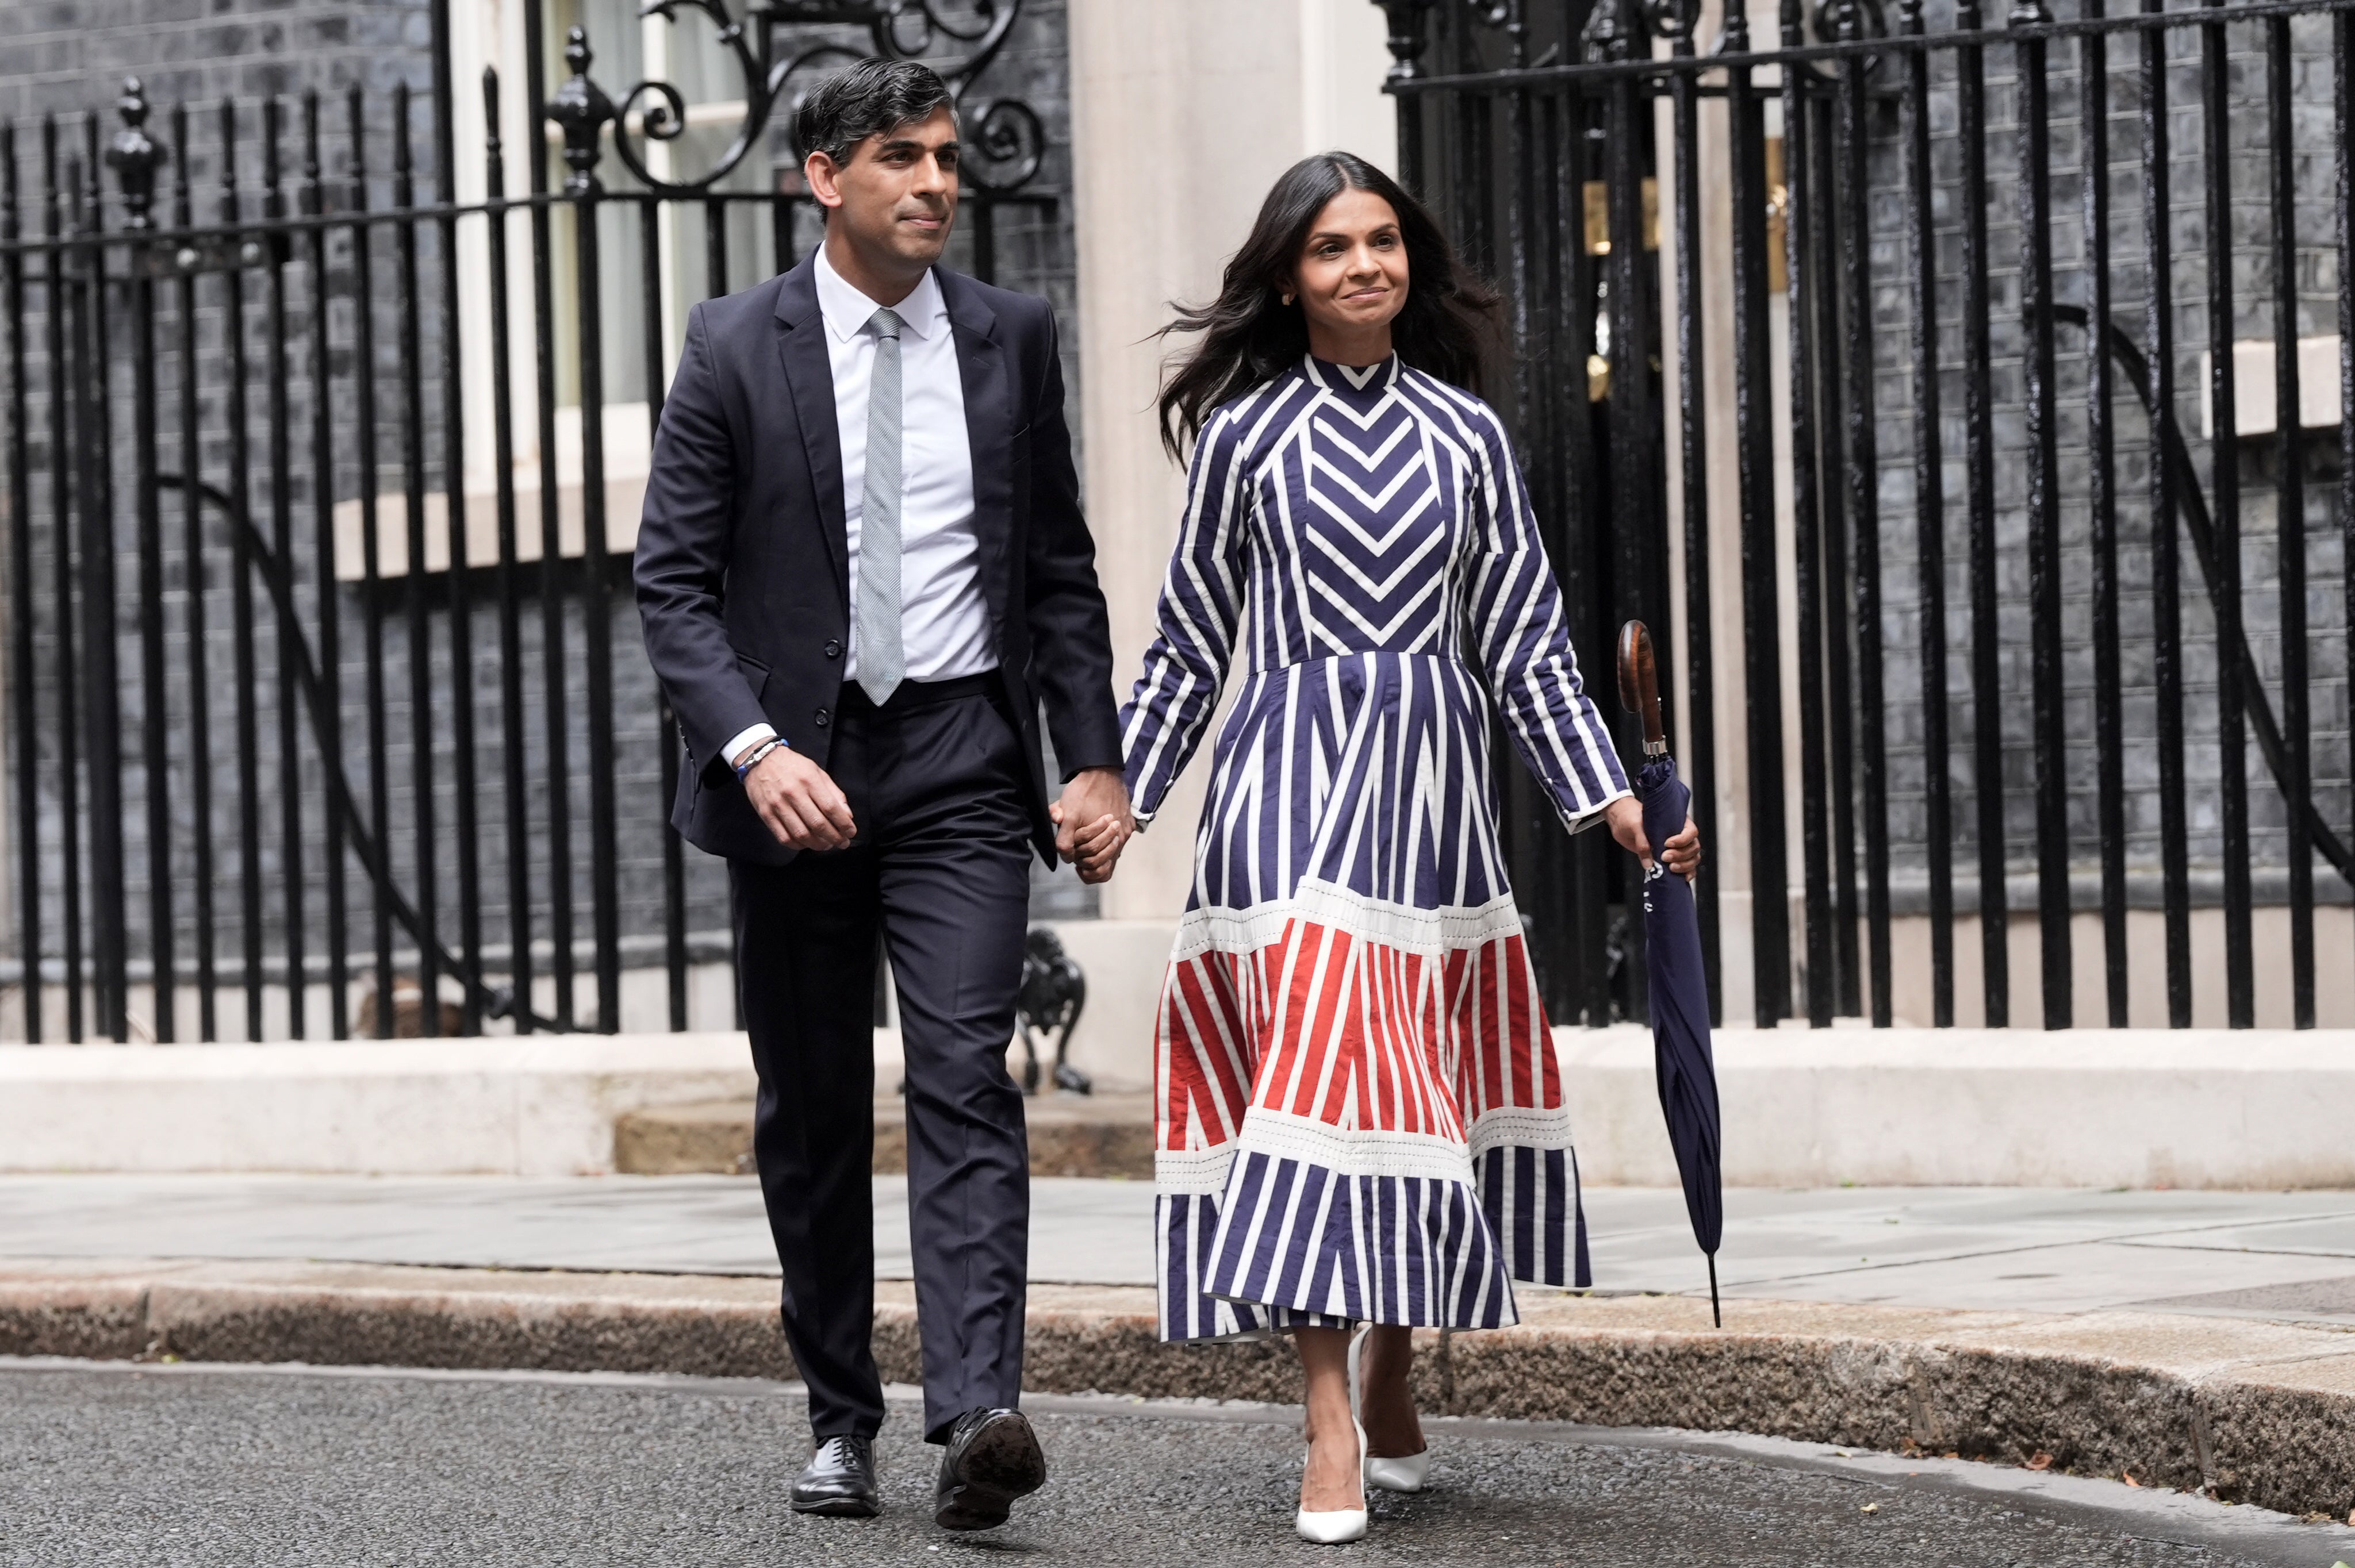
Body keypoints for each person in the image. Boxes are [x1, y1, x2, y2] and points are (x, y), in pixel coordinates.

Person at [1068, 152, 1701, 1543]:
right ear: (1286, 276)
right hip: (1282, 799)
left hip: (1426, 794)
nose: (1362, 265)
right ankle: (1328, 1414)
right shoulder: (1241, 437)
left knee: (1413, 1088)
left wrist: (1609, 800)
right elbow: (1188, 644)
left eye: (1380, 242)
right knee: (1311, 1077)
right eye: (1329, 247)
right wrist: (1127, 789)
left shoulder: (1467, 437)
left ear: (1406, 258)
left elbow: (1527, 640)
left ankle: (1400, 1355)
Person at [632, 59, 1130, 1532]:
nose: (932, 183)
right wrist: (755, 750)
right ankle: (837, 1416)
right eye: (901, 158)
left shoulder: (1009, 337)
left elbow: (1054, 568)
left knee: (967, 1070)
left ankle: (977, 1407)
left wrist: (1088, 752)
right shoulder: (732, 345)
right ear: (821, 178)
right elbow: (671, 586)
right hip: (796, 775)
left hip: (960, 763)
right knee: (811, 1106)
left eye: (947, 159)